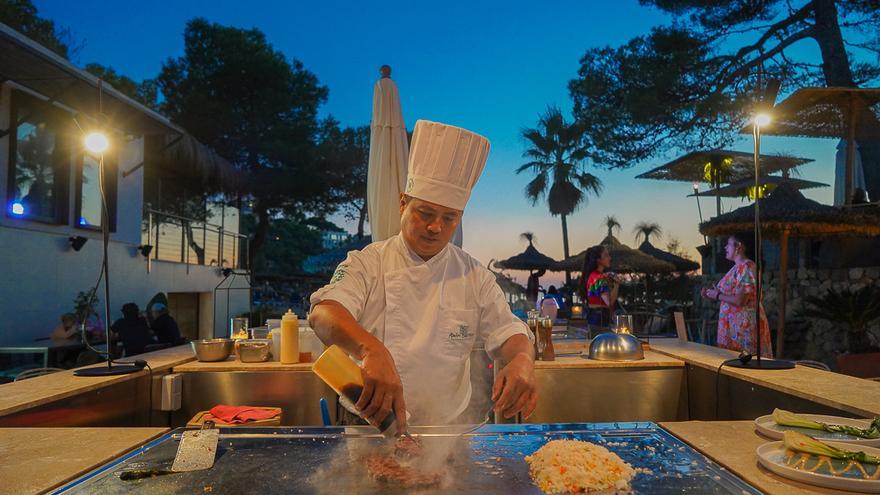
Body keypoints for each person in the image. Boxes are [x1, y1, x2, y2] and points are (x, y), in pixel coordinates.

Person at [309, 120, 536, 433]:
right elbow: (323, 313)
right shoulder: (368, 262)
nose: (436, 227)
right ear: (403, 203)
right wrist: (371, 349)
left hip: (449, 428)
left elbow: (508, 330)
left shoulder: (474, 275)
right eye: (426, 213)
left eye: (449, 218)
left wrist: (523, 358)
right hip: (372, 424)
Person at [701, 234, 773, 358]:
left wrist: (717, 295)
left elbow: (740, 300)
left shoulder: (747, 267)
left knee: (747, 366)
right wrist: (711, 294)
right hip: (735, 328)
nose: (725, 247)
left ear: (738, 247)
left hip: (744, 328)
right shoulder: (737, 267)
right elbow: (729, 296)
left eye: (728, 244)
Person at [582, 245, 619, 329]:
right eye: (606, 255)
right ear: (598, 260)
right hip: (600, 318)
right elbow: (609, 302)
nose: (609, 258)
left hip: (592, 317)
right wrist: (617, 284)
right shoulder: (600, 278)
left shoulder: (592, 276)